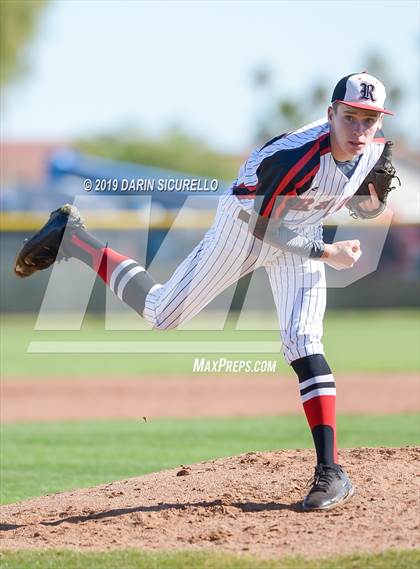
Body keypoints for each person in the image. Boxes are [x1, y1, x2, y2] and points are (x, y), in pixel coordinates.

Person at [15, 72, 393, 511]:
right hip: (246, 223)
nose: (360, 129)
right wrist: (328, 252)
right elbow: (265, 226)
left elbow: (364, 201)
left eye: (370, 120)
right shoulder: (294, 158)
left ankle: (330, 472)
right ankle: (76, 239)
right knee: (162, 313)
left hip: (299, 226)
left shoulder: (374, 150)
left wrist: (371, 203)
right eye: (350, 117)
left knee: (305, 340)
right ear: (331, 114)